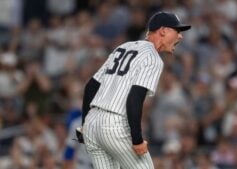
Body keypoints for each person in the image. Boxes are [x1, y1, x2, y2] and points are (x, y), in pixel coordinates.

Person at [78, 11, 191, 169]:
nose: (180, 36)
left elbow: (91, 87)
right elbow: (134, 99)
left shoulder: (123, 47)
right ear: (163, 31)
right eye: (177, 31)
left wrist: (85, 125)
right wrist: (137, 140)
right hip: (114, 125)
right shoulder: (152, 58)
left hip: (92, 124)